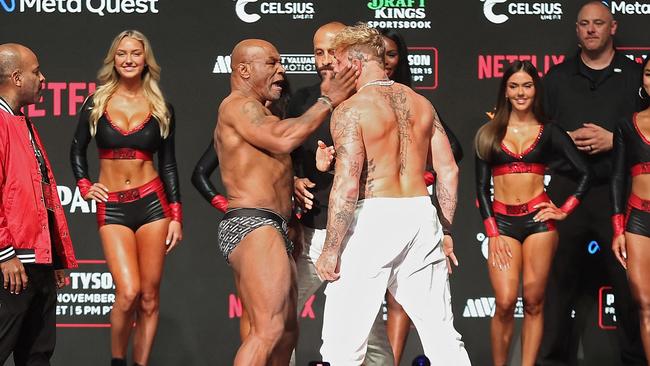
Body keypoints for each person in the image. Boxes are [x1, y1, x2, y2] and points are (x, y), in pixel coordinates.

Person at [315, 23, 470, 365]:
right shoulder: (422, 104)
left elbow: (347, 183)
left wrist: (330, 250)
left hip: (373, 217)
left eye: (338, 63)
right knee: (442, 334)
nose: (334, 70)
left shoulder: (351, 109)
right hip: (420, 213)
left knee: (343, 343)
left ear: (355, 62)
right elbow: (449, 171)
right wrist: (444, 230)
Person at [214, 38, 356, 365]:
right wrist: (326, 101)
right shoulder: (238, 105)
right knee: (269, 330)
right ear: (244, 70)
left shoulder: (262, 112)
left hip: (271, 225)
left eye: (281, 63)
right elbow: (282, 139)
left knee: (288, 331)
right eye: (273, 63)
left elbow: (268, 162)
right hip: (254, 223)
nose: (282, 70)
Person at [539, 2, 645, 364]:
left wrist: (614, 141)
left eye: (598, 23)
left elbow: (645, 136)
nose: (591, 30)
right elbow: (538, 139)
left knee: (632, 286)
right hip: (566, 193)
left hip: (617, 196)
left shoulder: (635, 77)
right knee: (556, 286)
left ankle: (636, 360)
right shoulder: (556, 78)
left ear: (613, 27)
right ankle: (552, 360)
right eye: (584, 24)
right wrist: (565, 142)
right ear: (576, 29)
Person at [70, 30, 182, 366]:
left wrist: (176, 214)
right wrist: (85, 185)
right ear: (113, 60)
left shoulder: (162, 107)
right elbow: (77, 150)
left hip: (153, 204)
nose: (129, 59)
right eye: (122, 54)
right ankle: (117, 361)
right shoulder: (97, 102)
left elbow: (170, 164)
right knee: (128, 292)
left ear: (145, 58)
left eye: (135, 53)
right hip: (113, 207)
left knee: (149, 299)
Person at [289, 21, 394, 365]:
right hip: (311, 232)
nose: (325, 59)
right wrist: (291, 179)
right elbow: (277, 153)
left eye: (332, 51)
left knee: (368, 336)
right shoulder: (301, 100)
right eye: (318, 51)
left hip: (361, 233)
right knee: (279, 319)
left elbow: (431, 149)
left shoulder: (374, 96)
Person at [475, 61, 591, 366]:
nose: (520, 92)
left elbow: (584, 172)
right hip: (502, 223)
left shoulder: (549, 131)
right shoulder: (489, 133)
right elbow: (480, 187)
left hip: (539, 224)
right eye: (514, 86)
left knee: (535, 302)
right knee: (503, 301)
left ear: (535, 89)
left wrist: (564, 209)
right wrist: (493, 232)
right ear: (505, 91)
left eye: (527, 85)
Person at [379, 28, 464, 365]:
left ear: (401, 60)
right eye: (378, 53)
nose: (385, 61)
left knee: (401, 300)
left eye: (391, 54)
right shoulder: (354, 103)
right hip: (363, 210)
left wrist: (415, 177)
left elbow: (451, 153)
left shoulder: (416, 102)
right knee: (364, 302)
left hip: (409, 209)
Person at [0, 43, 77, 365]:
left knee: (37, 355)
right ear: (17, 78)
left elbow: (41, 193)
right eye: (35, 72)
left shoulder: (23, 123)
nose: (42, 79)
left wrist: (56, 254)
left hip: (38, 260)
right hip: (12, 263)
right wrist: (4, 253)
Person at [611, 56, 650, 364]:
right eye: (649, 74)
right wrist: (617, 229)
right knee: (645, 304)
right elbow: (619, 177)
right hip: (638, 220)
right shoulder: (627, 124)